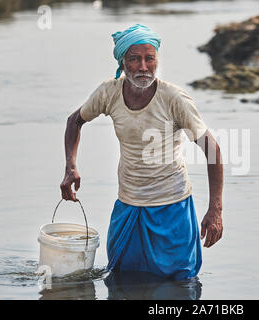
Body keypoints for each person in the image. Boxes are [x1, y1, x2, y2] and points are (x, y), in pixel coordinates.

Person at [60, 24, 223, 280]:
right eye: (135, 59)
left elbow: (212, 149)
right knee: (122, 280)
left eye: (150, 58)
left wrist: (215, 210)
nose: (143, 67)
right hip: (129, 207)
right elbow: (74, 121)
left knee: (179, 285)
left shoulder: (174, 99)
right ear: (122, 62)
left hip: (172, 208)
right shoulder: (109, 92)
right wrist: (71, 167)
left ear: (157, 60)